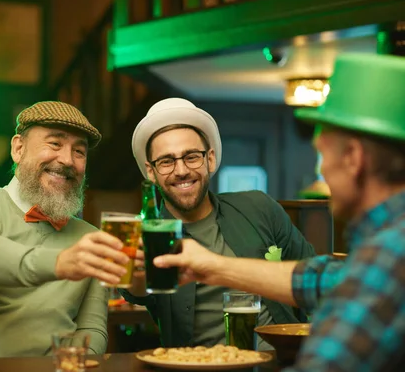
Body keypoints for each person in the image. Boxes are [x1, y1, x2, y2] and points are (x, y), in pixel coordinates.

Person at [153, 53, 405, 371]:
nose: (322, 172)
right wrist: (212, 266)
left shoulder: (389, 255)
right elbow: (319, 279)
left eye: (322, 155)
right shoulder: (385, 246)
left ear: (353, 158)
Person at [0, 101, 129, 372]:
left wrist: (72, 366)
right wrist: (61, 262)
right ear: (18, 148)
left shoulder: (90, 238)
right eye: (54, 144)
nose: (67, 160)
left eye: (79, 151)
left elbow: (91, 328)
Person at [121, 97, 316, 350]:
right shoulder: (150, 233)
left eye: (191, 156)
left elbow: (312, 274)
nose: (181, 171)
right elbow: (137, 291)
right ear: (151, 171)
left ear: (209, 159)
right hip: (197, 366)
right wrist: (135, 272)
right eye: (166, 161)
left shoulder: (259, 207)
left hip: (280, 362)